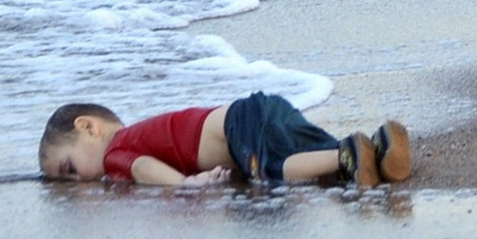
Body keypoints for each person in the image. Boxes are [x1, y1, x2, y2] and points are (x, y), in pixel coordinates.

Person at [39, 91, 411, 187]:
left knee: (273, 170)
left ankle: (347, 154)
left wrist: (185, 184)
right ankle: (376, 149)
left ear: (88, 127)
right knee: (310, 154)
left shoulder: (116, 152)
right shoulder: (140, 133)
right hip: (259, 109)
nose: (78, 180)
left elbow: (141, 168)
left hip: (239, 124)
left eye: (68, 168)